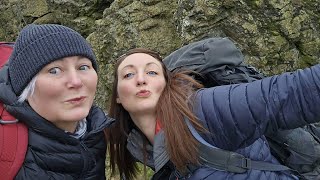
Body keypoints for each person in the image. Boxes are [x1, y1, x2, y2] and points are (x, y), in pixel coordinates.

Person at [104, 47, 320, 180]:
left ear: (166, 84)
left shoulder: (205, 109)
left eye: (152, 72)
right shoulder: (144, 149)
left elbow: (289, 93)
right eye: (129, 74)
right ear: (118, 97)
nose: (141, 79)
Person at [0, 24, 114, 179]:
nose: (76, 81)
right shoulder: (5, 146)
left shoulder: (95, 133)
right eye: (54, 70)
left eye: (83, 67)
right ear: (26, 88)